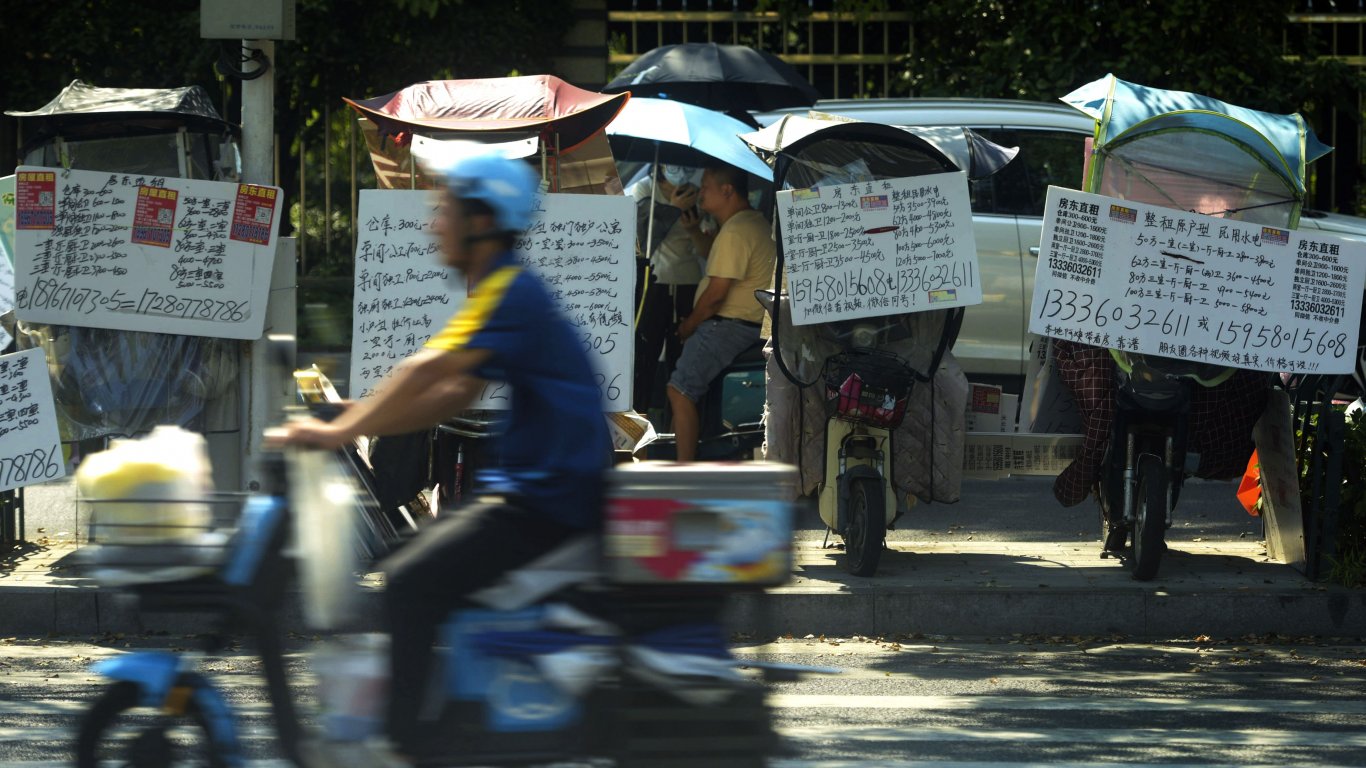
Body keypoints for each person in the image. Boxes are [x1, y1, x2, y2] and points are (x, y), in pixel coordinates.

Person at [270, 151, 611, 760]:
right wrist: (353, 423)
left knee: (406, 581)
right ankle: (461, 718)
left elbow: (430, 367)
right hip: (542, 490)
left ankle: (409, 744)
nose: (435, 224)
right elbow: (454, 392)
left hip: (548, 497)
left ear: (482, 221)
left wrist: (336, 429)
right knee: (418, 557)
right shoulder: (502, 290)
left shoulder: (509, 291)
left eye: (445, 210)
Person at [667, 162, 776, 461]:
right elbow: (712, 254)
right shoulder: (746, 223)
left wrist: (688, 325)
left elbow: (715, 296)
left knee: (680, 389)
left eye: (705, 188)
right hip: (746, 324)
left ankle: (684, 470)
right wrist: (692, 229)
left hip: (729, 325)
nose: (700, 194)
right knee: (688, 387)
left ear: (727, 190)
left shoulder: (738, 230)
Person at [629, 164, 715, 412]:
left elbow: (708, 251)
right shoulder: (644, 190)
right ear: (660, 166)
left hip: (688, 282)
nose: (679, 169)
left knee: (682, 358)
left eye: (682, 164)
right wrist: (671, 210)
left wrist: (692, 228)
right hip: (652, 282)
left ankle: (675, 420)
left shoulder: (698, 194)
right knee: (645, 353)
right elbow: (640, 240)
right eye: (671, 164)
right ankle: (640, 414)